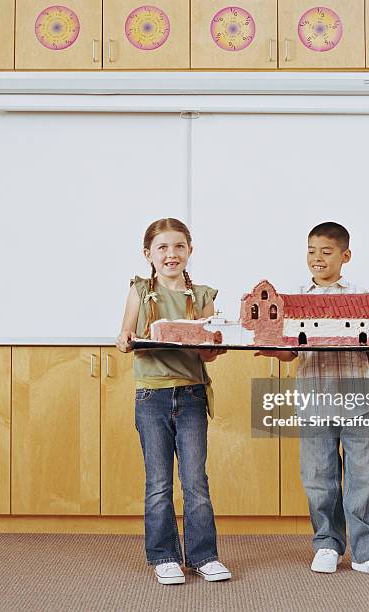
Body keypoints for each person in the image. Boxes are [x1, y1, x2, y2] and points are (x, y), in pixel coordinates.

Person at [257, 221, 369, 580]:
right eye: (311, 250)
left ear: (345, 255)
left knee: (364, 477)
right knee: (318, 477)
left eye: (326, 251)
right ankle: (327, 544)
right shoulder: (291, 300)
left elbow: (367, 351)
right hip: (312, 399)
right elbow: (291, 353)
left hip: (357, 399)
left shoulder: (363, 297)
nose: (317, 258)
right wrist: (273, 351)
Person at [116, 217, 231, 585]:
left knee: (196, 480)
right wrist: (125, 341)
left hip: (192, 393)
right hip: (151, 395)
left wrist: (215, 345)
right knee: (159, 482)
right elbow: (126, 335)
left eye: (179, 247)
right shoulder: (139, 291)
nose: (171, 254)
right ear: (148, 254)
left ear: (190, 251)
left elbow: (211, 351)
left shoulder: (203, 297)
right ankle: (164, 556)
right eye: (163, 248)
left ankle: (203, 556)